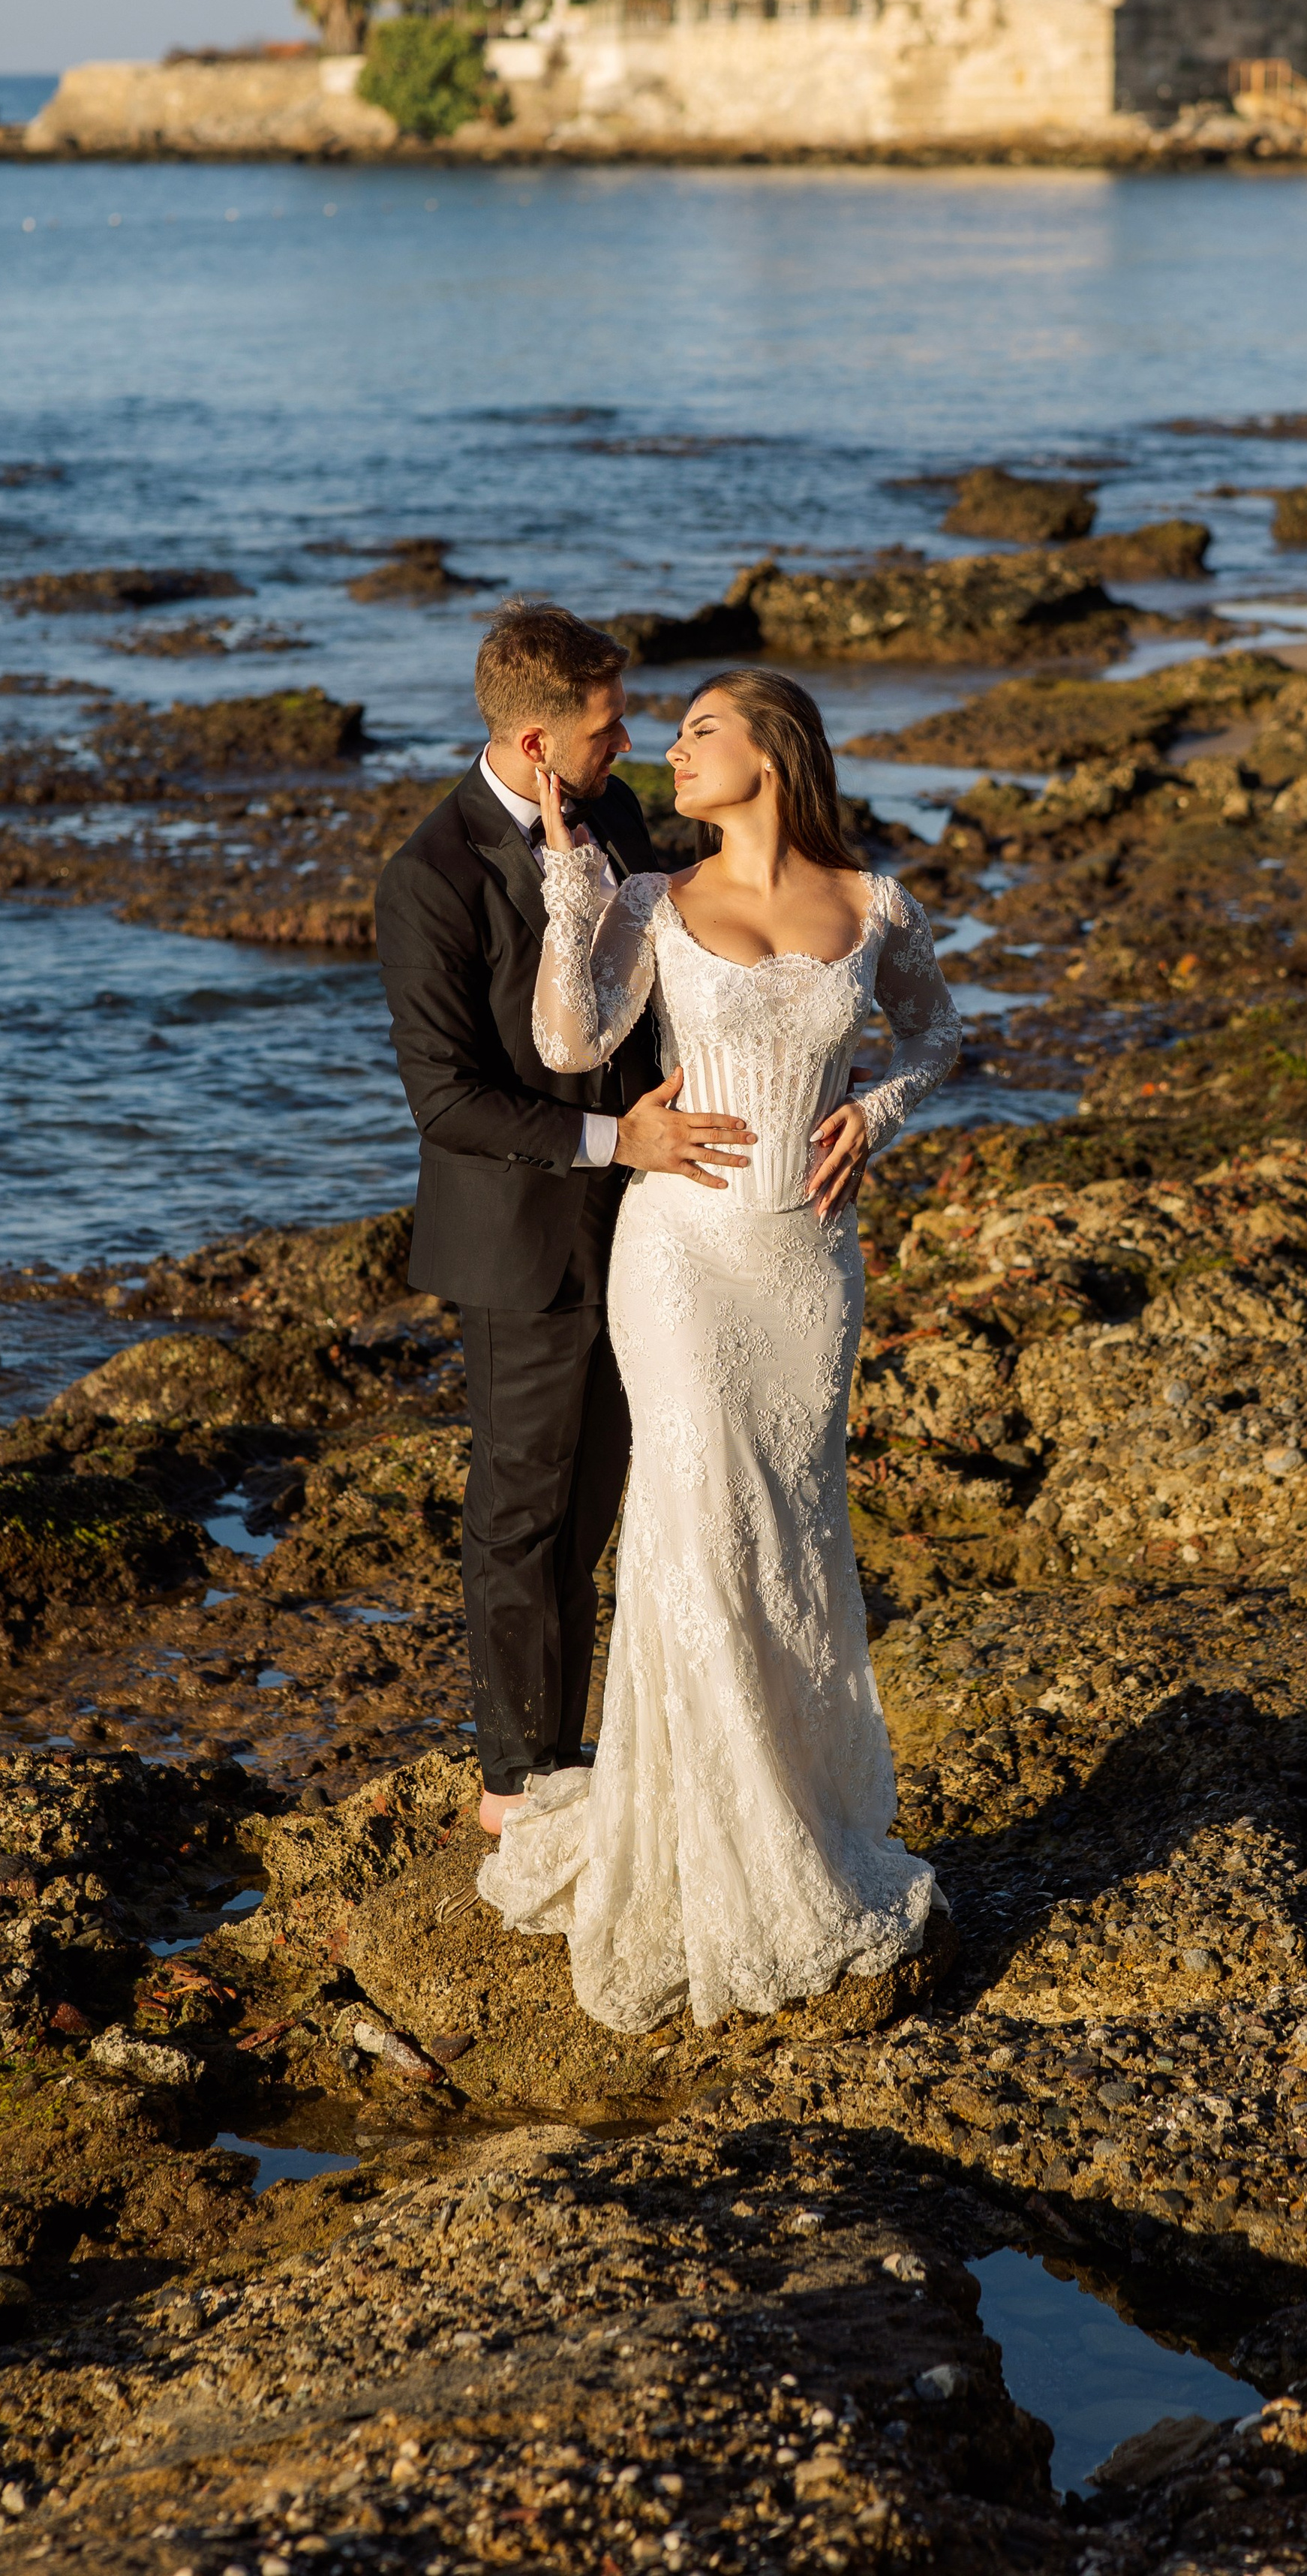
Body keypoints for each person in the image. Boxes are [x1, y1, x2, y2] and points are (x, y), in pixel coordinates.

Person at [476, 665, 962, 2032]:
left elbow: (942, 1034)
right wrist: (573, 892)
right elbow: (568, 1037)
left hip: (805, 1267)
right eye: (670, 735)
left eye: (699, 734)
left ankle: (796, 1820)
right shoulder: (650, 897)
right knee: (693, 1526)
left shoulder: (874, 905)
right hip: (681, 1254)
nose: (668, 757)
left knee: (793, 1535)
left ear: (776, 753)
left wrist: (880, 1111)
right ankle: (699, 1840)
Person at [374, 603, 758, 1844]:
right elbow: (446, 1101)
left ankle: (562, 1746)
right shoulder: (430, 877)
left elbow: (653, 997)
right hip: (523, 1245)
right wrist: (614, 1141)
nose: (630, 740)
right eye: (607, 724)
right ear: (536, 741)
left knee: (595, 1505)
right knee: (523, 1507)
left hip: (647, 1225)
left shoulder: (617, 818)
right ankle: (510, 1779)